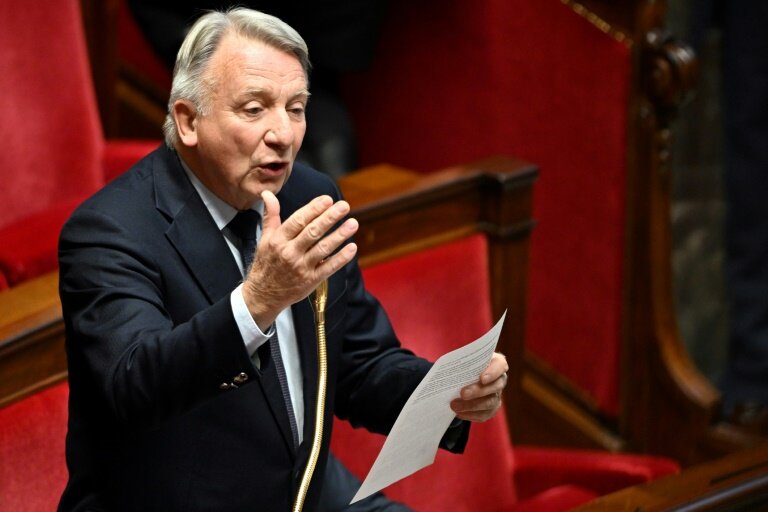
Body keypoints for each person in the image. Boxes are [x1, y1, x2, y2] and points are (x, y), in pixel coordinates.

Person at [57, 8, 509, 511]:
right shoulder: (110, 231)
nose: (284, 134)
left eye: (295, 108)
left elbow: (359, 362)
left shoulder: (309, 195)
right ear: (188, 120)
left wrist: (447, 395)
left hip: (303, 491)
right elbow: (135, 385)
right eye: (255, 109)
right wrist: (258, 301)